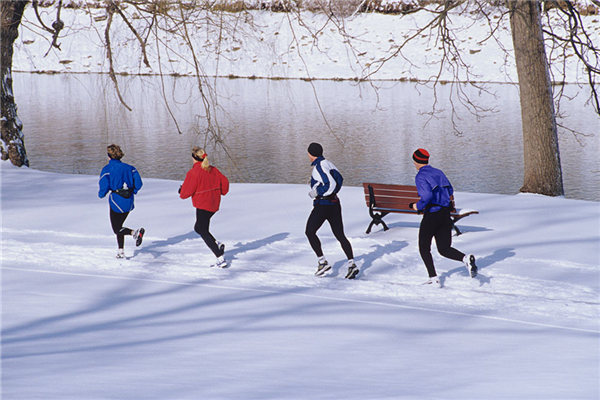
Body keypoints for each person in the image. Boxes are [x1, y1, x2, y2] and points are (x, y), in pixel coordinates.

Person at [408, 148, 477, 286]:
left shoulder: (420, 176)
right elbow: (450, 190)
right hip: (445, 214)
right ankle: (465, 258)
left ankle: (433, 278)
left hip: (432, 214)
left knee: (423, 247)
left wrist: (417, 206)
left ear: (416, 161)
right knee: (444, 248)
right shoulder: (438, 172)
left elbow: (427, 196)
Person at [305, 142, 359, 279]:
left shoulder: (318, 167)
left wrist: (317, 192)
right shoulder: (329, 163)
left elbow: (330, 184)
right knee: (340, 235)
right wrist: (326, 190)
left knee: (310, 231)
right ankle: (352, 264)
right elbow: (339, 179)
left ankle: (322, 262)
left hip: (324, 205)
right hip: (335, 203)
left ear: (311, 154)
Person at [179, 146, 229, 268]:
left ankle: (220, 257)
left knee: (203, 230)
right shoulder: (213, 169)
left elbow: (185, 194)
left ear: (194, 158)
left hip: (203, 205)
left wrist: (181, 190)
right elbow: (225, 183)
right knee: (198, 228)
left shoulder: (193, 173)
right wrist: (221, 192)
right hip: (214, 203)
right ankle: (216, 243)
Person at [98, 144, 145, 258]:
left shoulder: (107, 169)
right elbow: (139, 183)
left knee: (117, 228)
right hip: (128, 201)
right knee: (120, 226)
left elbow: (104, 187)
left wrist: (101, 194)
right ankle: (120, 252)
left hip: (116, 202)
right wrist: (132, 191)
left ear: (109, 156)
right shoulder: (130, 168)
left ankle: (135, 233)